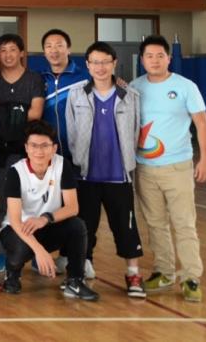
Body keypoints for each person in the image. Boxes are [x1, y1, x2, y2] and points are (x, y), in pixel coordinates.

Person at [131, 35, 206, 302]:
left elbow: (202, 124)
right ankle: (164, 272)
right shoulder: (134, 87)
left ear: (169, 58)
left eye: (160, 56)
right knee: (155, 224)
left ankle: (191, 277)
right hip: (145, 169)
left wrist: (205, 160)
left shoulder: (185, 86)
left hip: (178, 167)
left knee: (184, 224)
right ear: (142, 60)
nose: (154, 60)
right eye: (149, 56)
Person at [65, 42, 144, 297]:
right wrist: (79, 159)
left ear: (114, 63)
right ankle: (80, 271)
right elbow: (71, 132)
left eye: (105, 62)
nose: (100, 67)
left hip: (119, 176)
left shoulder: (130, 95)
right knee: (84, 227)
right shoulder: (76, 94)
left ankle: (133, 274)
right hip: (86, 175)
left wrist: (127, 160)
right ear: (88, 65)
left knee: (125, 226)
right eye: (95, 62)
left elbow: (135, 131)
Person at [0, 120, 98, 301]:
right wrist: (40, 251)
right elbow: (15, 220)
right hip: (18, 229)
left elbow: (72, 207)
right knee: (20, 248)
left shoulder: (62, 165)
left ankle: (75, 280)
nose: (39, 151)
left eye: (44, 146)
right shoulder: (16, 172)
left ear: (54, 148)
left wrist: (45, 218)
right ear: (26, 148)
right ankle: (12, 273)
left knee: (77, 226)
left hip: (47, 225)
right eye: (34, 145)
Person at [0, 33, 44, 274]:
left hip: (31, 151)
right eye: (3, 51)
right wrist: (19, 109)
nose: (8, 55)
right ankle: (4, 252)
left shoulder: (34, 79)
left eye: (13, 50)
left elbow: (36, 113)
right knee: (4, 202)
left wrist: (4, 111)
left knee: (35, 201)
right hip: (1, 151)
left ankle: (38, 251)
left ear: (21, 53)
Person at [37, 28, 89, 275]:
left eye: (59, 45)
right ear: (44, 51)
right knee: (49, 206)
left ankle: (77, 257)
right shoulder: (39, 79)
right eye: (49, 46)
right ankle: (45, 255)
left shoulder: (86, 77)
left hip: (79, 155)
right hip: (49, 158)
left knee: (79, 207)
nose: (54, 50)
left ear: (68, 48)